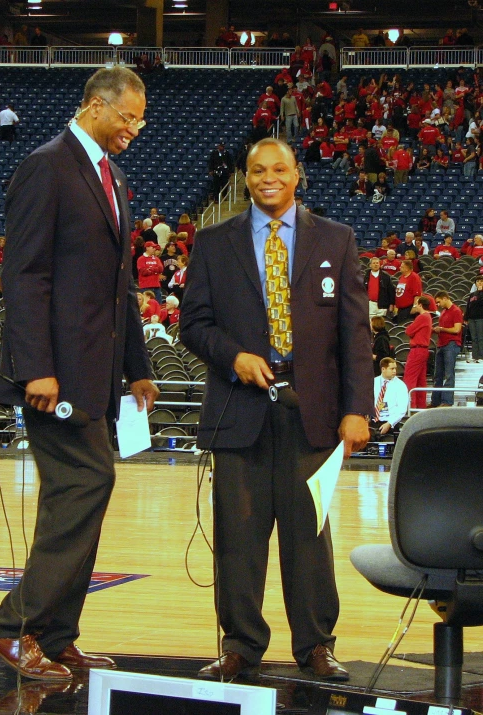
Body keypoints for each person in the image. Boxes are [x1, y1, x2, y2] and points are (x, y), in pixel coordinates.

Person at [0, 66, 159, 681]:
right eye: (127, 116)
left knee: (85, 492)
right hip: (53, 376)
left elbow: (119, 285)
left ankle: (54, 634)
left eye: (140, 119)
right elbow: (25, 274)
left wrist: (137, 367)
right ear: (93, 105)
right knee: (85, 484)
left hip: (98, 374)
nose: (135, 128)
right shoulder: (45, 166)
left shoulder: (114, 177)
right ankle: (9, 628)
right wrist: (35, 367)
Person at [180, 138, 372, 683]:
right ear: (245, 177)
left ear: (297, 174)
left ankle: (315, 644)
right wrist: (233, 357)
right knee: (238, 537)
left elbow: (354, 336)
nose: (269, 178)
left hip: (313, 413)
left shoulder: (337, 239)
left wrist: (357, 409)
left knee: (309, 535)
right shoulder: (214, 242)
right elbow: (192, 324)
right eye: (258, 170)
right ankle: (240, 644)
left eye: (279, 169)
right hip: (238, 409)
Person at [430, 291, 463, 407]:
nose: (438, 304)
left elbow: (456, 329)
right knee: (437, 375)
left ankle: (447, 401)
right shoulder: (443, 312)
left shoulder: (456, 311)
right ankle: (436, 401)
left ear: (445, 298)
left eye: (439, 302)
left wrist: (442, 329)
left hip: (451, 344)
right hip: (441, 344)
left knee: (449, 374)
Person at [403, 296, 433, 409]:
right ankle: (420, 406)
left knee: (409, 378)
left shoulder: (422, 317)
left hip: (417, 350)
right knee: (420, 380)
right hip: (423, 350)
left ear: (420, 305)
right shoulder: (428, 316)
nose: (414, 305)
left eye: (416, 304)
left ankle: (410, 406)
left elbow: (408, 331)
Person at [370, 357, 409, 439]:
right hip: (372, 422)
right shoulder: (373, 382)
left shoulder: (400, 386)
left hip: (390, 424)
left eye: (395, 368)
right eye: (392, 369)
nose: (394, 371)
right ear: (383, 369)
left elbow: (402, 409)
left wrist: (389, 423)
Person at [394, 259, 422, 324]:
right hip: (401, 309)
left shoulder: (414, 277)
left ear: (406, 269)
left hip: (408, 308)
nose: (399, 267)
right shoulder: (402, 277)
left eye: (402, 267)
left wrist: (414, 307)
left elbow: (417, 294)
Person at [464, 276, 483, 362]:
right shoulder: (472, 294)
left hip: (480, 318)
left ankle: (481, 355)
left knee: (480, 337)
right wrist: (466, 317)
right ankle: (475, 356)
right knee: (474, 337)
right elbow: (468, 306)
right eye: (478, 281)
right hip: (471, 318)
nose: (479, 283)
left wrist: (480, 291)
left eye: (481, 281)